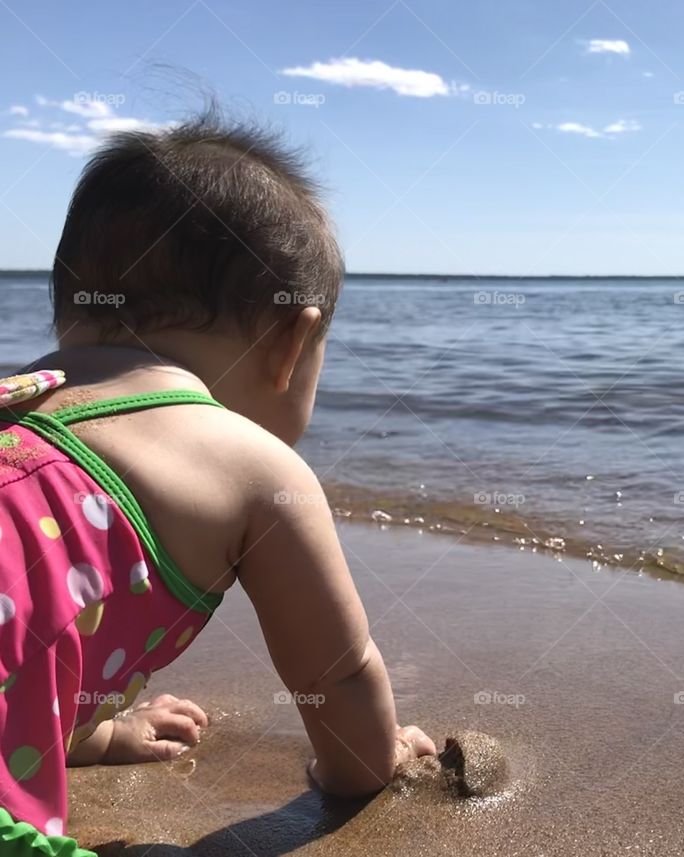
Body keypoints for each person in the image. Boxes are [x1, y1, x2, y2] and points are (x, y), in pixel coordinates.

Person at [0, 112, 435, 856]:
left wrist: (92, 731)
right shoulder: (259, 470)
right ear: (293, 343)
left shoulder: (17, 400)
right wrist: (376, 761)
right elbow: (339, 676)